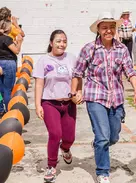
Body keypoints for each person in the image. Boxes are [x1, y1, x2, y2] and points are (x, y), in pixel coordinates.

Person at [71, 12, 136, 183]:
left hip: (116, 99)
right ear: (98, 30)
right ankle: (103, 172)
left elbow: (130, 72)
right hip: (96, 97)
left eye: (111, 27)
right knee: (103, 137)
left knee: (113, 137)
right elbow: (77, 72)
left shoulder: (122, 49)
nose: (108, 31)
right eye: (104, 28)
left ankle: (99, 145)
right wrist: (74, 93)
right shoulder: (89, 49)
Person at [33, 30, 80, 183]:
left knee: (69, 138)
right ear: (51, 43)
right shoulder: (43, 60)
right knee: (55, 133)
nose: (62, 44)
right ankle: (51, 165)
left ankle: (65, 148)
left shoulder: (72, 58)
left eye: (64, 41)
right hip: (49, 103)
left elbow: (77, 78)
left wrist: (79, 92)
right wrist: (37, 105)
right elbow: (39, 84)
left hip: (68, 104)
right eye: (59, 41)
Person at [0, 19, 23, 117]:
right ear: (8, 28)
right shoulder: (6, 39)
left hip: (0, 63)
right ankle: (9, 112)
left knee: (1, 89)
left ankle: (1, 110)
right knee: (7, 90)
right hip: (8, 63)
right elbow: (16, 51)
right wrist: (19, 42)